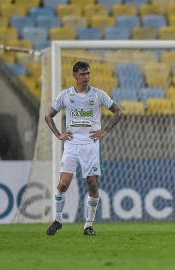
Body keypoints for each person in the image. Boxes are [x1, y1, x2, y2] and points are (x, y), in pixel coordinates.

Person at [45, 61, 122, 236]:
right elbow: (48, 115)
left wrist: (105, 130)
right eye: (82, 74)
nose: (86, 77)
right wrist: (58, 134)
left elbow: (118, 111)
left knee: (92, 184)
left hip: (91, 144)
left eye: (88, 73)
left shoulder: (98, 94)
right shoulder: (65, 95)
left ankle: (88, 225)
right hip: (71, 144)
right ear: (75, 76)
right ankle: (57, 220)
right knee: (63, 184)